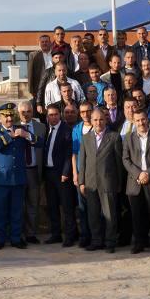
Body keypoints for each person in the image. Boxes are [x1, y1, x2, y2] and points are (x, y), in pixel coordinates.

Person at [77, 106, 124, 253]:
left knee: (110, 214)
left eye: (101, 119)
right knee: (93, 214)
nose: (98, 122)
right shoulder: (85, 138)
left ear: (106, 120)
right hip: (91, 183)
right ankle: (96, 241)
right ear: (91, 121)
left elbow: (119, 162)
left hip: (108, 182)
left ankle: (110, 242)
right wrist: (81, 182)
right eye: (96, 120)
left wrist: (119, 183)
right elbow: (82, 162)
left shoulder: (114, 137)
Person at [0, 102, 34, 249]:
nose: (9, 119)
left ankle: (16, 238)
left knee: (17, 211)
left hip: (18, 177)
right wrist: (9, 136)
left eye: (11, 116)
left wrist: (26, 135)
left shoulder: (21, 129)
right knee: (0, 211)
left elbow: (37, 142)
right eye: (5, 116)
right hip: (1, 179)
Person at [122, 111, 150, 255]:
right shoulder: (128, 138)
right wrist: (139, 174)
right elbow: (125, 159)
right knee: (137, 215)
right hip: (135, 182)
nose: (141, 123)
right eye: (137, 120)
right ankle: (139, 243)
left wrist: (148, 173)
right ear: (133, 122)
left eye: (143, 119)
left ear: (147, 120)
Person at [42, 103, 76, 246]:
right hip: (48, 173)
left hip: (62, 174)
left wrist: (65, 172)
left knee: (67, 206)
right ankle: (56, 234)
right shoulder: (46, 130)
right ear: (47, 117)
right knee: (52, 205)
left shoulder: (66, 130)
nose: (53, 117)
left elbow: (69, 153)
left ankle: (70, 236)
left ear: (60, 115)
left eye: (56, 114)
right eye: (51, 115)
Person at [17, 100, 45, 244]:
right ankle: (18, 234)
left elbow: (42, 144)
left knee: (33, 204)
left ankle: (30, 234)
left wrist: (27, 135)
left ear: (32, 112)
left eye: (28, 111)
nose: (26, 114)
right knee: (19, 205)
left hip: (34, 170)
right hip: (19, 171)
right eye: (23, 112)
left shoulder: (41, 127)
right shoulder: (13, 127)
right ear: (18, 113)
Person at [71, 102, 94, 248]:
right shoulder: (77, 129)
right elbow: (74, 153)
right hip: (81, 173)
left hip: (94, 173)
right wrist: (75, 173)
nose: (86, 114)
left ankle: (97, 236)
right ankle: (85, 236)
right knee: (82, 207)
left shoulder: (98, 126)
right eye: (83, 112)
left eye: (88, 111)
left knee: (95, 207)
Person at [28, 34, 54, 101]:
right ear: (39, 44)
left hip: (54, 86)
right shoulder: (34, 55)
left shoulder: (55, 54)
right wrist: (31, 90)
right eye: (42, 42)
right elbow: (30, 73)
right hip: (39, 88)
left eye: (46, 41)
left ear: (50, 43)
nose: (44, 43)